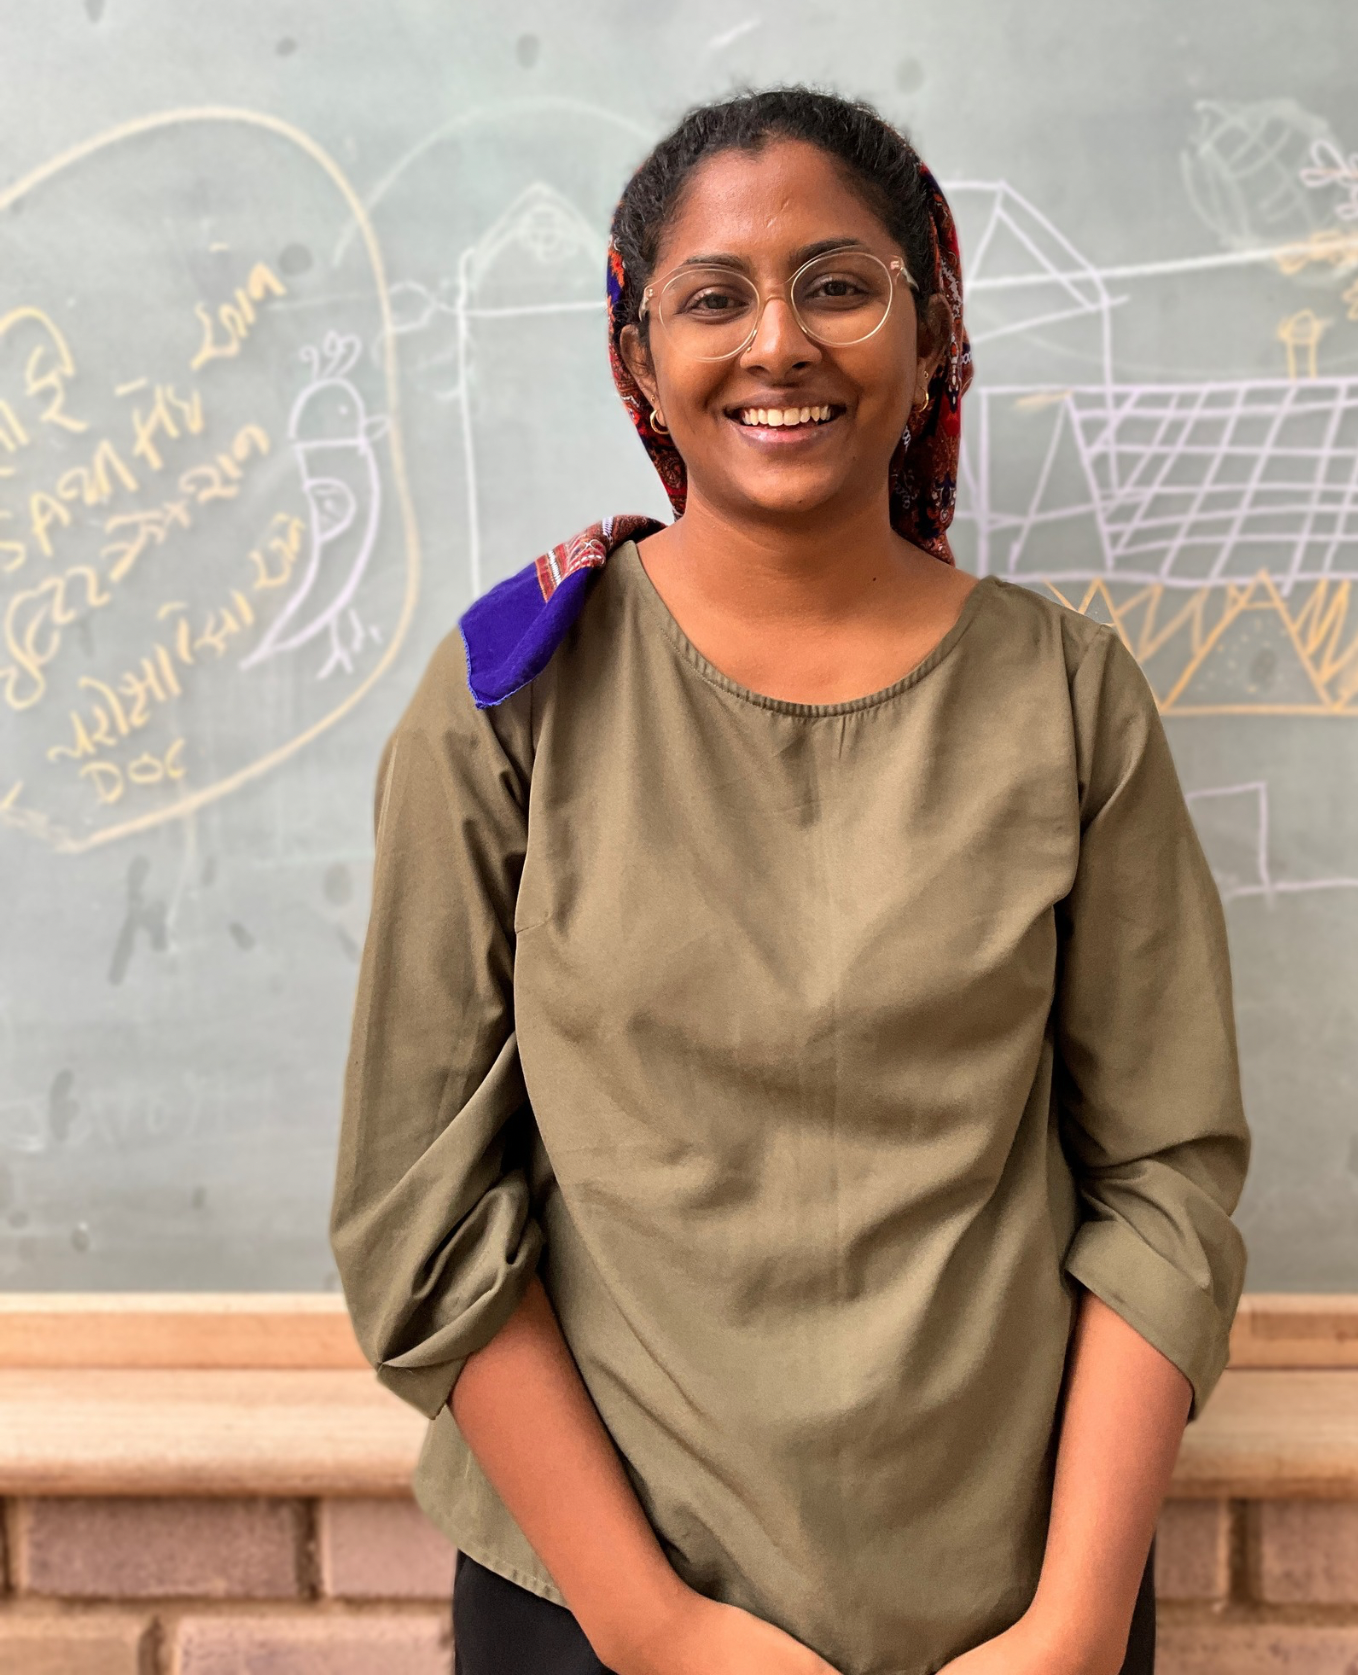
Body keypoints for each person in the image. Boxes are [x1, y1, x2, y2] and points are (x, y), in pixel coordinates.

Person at [331, 87, 1248, 1675]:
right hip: (596, 1607)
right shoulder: (513, 702)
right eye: (714, 298)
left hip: (1017, 1609)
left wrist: (1080, 1624)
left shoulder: (1069, 697)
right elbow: (420, 1213)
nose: (779, 344)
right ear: (639, 358)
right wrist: (657, 1626)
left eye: (838, 284)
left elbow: (1164, 1181)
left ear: (927, 326)